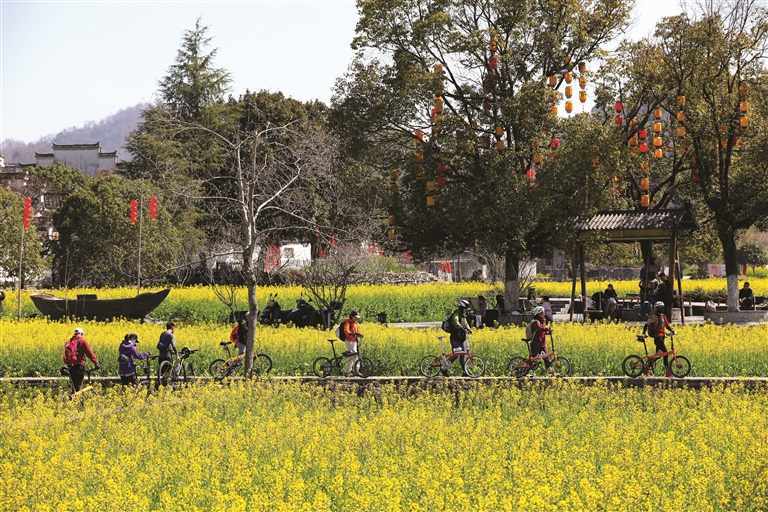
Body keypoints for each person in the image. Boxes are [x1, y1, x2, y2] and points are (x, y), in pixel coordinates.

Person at [642, 301, 677, 378]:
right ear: (657, 308)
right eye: (660, 308)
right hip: (658, 338)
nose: (662, 309)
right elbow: (646, 325)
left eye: (662, 307)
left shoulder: (664, 316)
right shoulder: (654, 317)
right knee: (665, 353)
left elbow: (667, 326)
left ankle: (646, 369)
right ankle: (668, 372)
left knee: (657, 356)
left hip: (662, 337)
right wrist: (643, 334)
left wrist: (672, 330)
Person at [62, 327, 99, 392]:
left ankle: (72, 397)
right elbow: (89, 353)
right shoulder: (82, 341)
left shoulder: (68, 342)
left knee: (74, 387)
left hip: (70, 367)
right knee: (77, 388)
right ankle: (74, 398)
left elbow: (64, 356)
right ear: (81, 334)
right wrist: (96, 363)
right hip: (79, 366)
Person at [529, 306, 556, 375]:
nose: (544, 314)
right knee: (532, 359)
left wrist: (548, 332)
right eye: (543, 312)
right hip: (536, 344)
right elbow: (539, 328)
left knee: (547, 358)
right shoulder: (536, 322)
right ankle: (527, 372)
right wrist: (546, 329)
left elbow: (542, 332)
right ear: (539, 314)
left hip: (542, 344)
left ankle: (551, 373)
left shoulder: (543, 321)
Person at [447, 299, 472, 375]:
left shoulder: (463, 315)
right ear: (461, 308)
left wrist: (469, 329)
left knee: (463, 355)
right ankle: (444, 368)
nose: (466, 310)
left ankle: (465, 372)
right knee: (456, 355)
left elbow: (466, 323)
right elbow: (455, 322)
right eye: (465, 309)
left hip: (461, 339)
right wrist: (460, 327)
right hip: (455, 338)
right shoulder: (456, 314)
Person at [342, 310, 363, 376]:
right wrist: (351, 333)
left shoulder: (355, 323)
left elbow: (357, 330)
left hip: (354, 341)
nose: (357, 318)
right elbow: (346, 330)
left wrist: (359, 334)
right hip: (349, 341)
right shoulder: (348, 323)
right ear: (352, 316)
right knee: (355, 355)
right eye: (355, 317)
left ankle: (348, 371)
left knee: (351, 356)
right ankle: (356, 371)